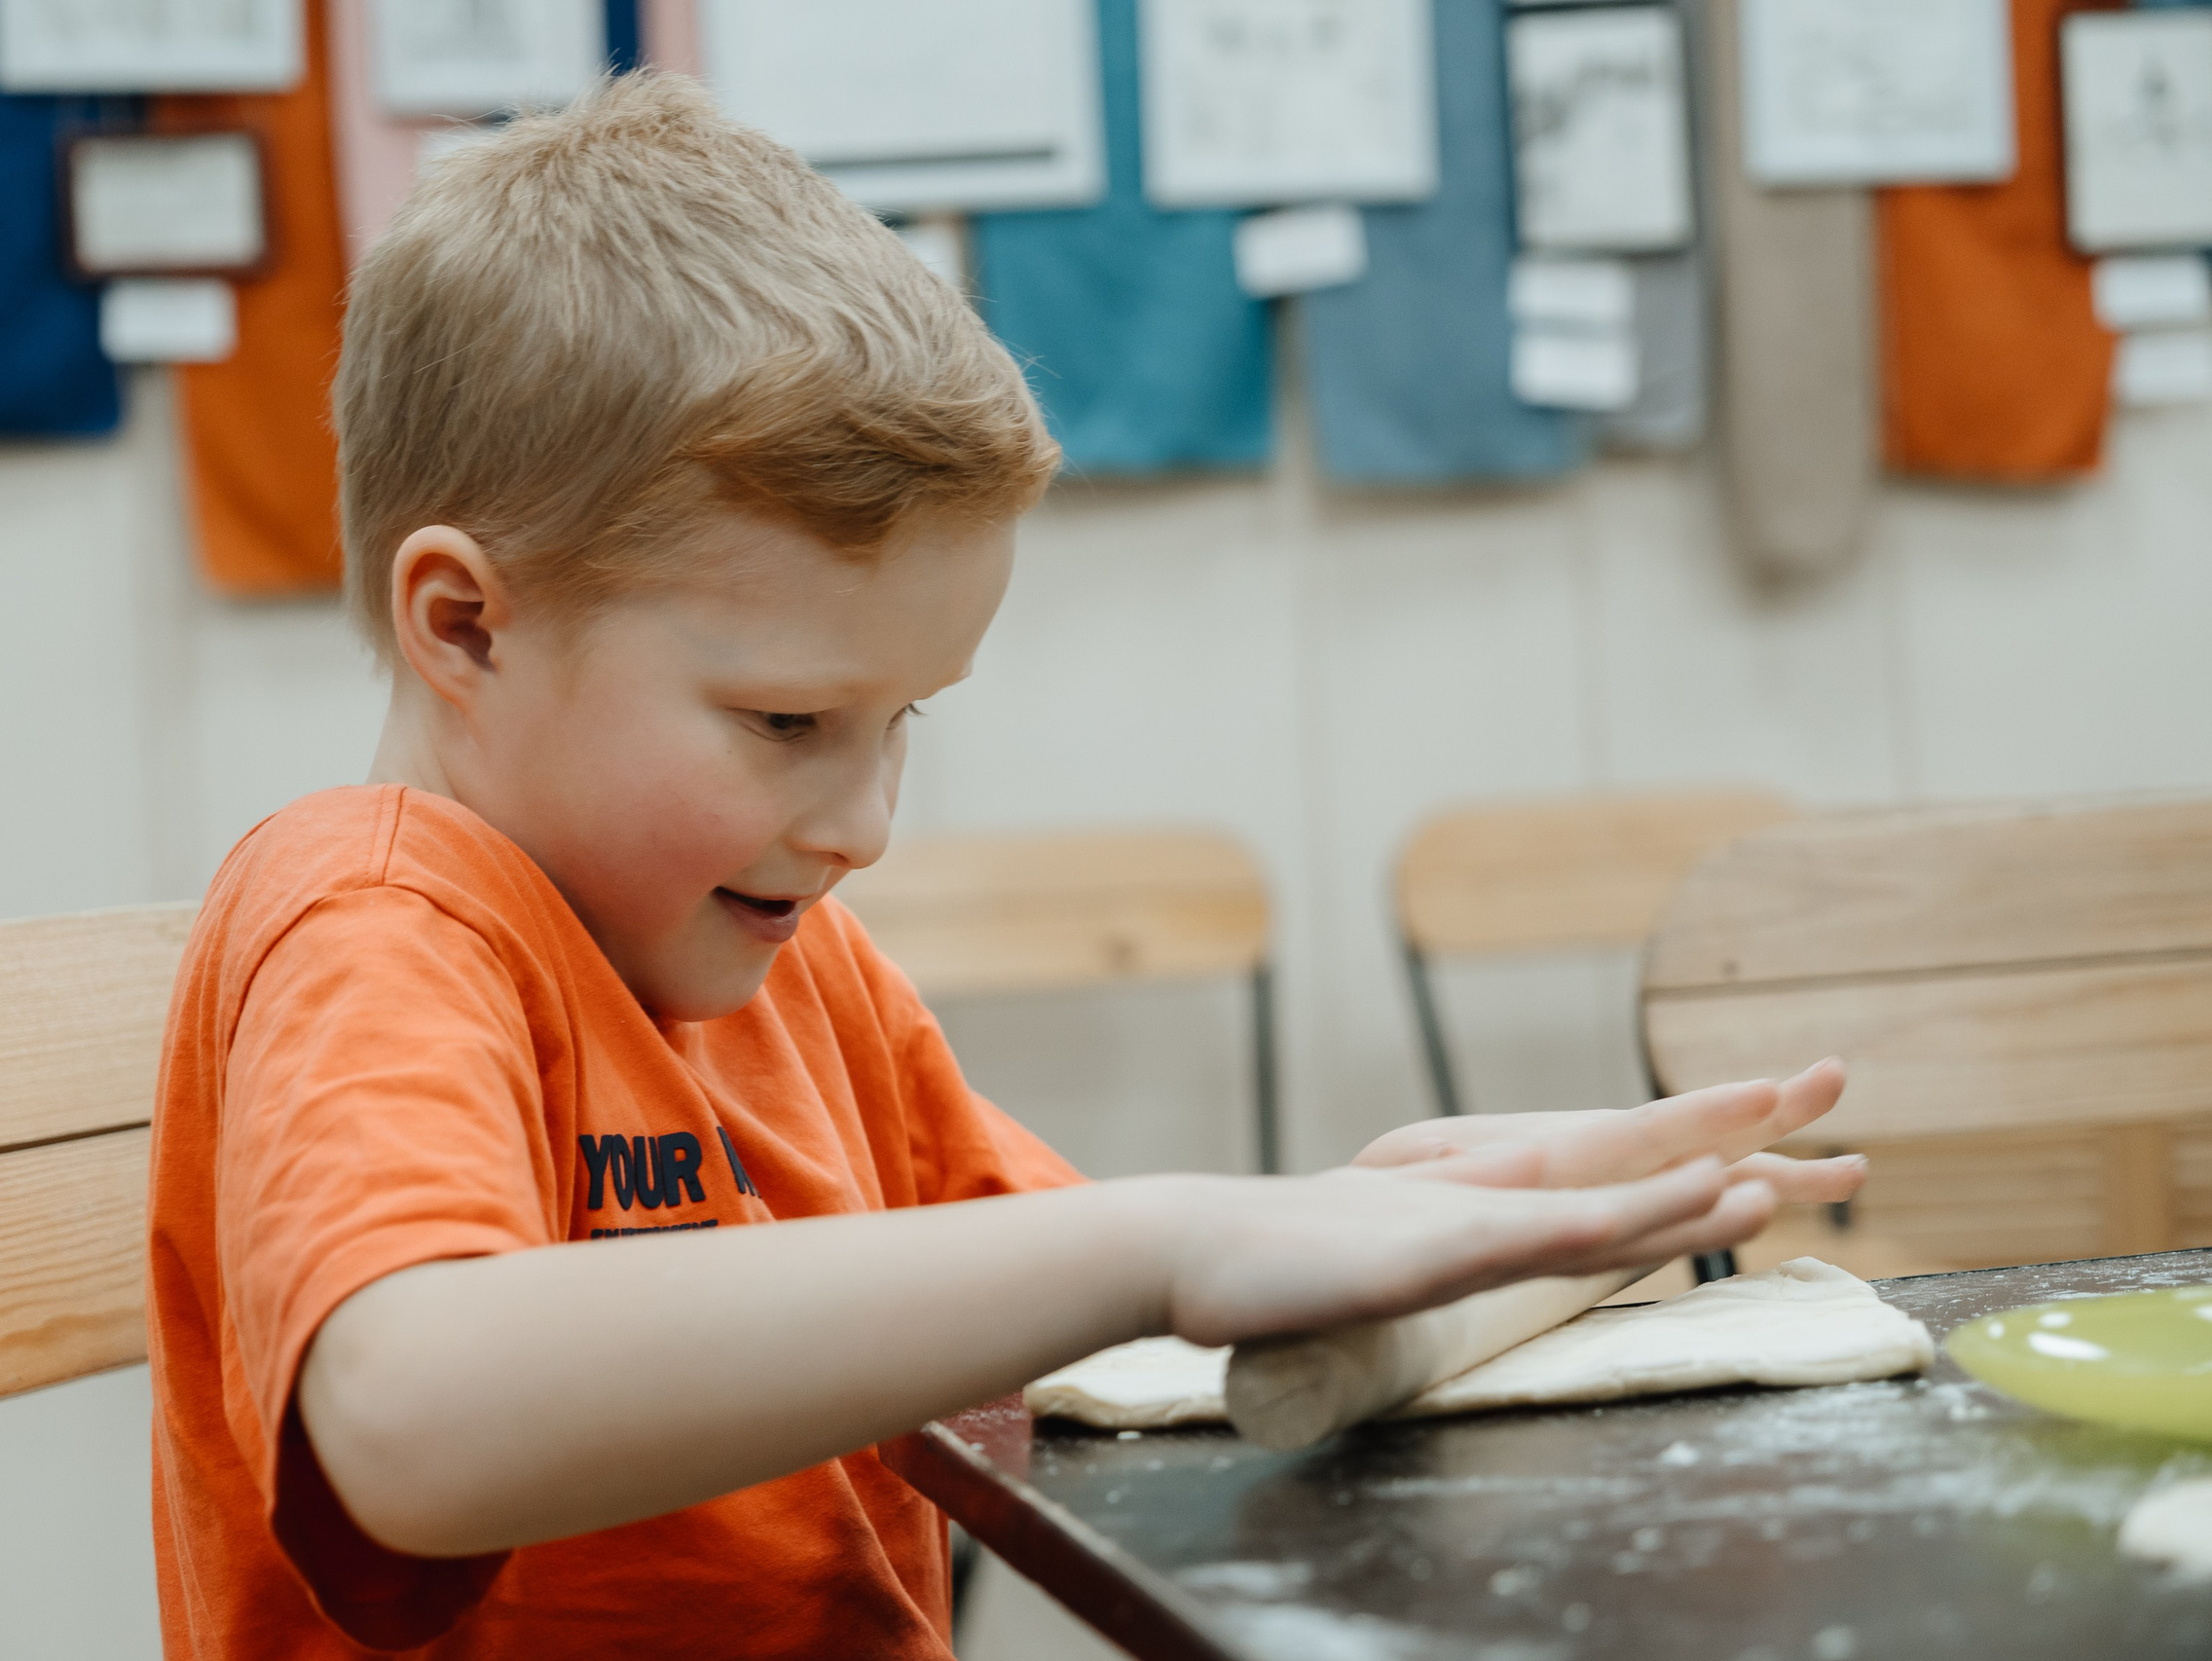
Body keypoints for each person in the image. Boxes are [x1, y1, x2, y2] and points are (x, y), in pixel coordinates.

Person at [144, 72, 1865, 1661]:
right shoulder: (373, 921)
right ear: (465, 624)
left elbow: (1085, 1327)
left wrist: (1388, 1218)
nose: (862, 820)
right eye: (790, 719)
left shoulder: (784, 952)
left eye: (904, 723)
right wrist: (1168, 1237)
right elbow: (416, 1423)